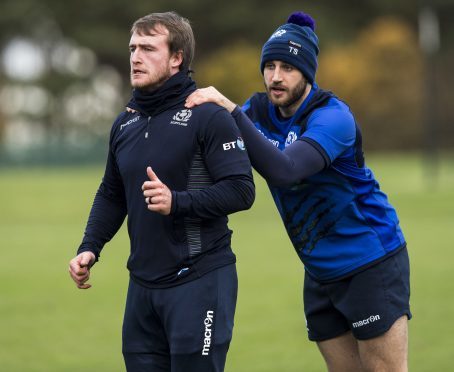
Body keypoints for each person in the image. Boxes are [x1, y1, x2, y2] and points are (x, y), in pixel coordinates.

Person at [185, 11, 411, 372]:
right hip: (320, 271)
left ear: (307, 72)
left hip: (371, 261)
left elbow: (285, 171)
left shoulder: (332, 117)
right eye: (269, 65)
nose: (275, 77)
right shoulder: (256, 112)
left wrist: (229, 111)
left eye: (287, 67)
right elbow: (210, 151)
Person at [68, 11, 255, 372]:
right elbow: (112, 192)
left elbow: (241, 190)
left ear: (176, 58)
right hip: (142, 289)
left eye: (148, 48)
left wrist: (177, 202)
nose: (136, 57)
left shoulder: (208, 115)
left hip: (199, 281)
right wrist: (90, 247)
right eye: (132, 48)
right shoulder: (125, 122)